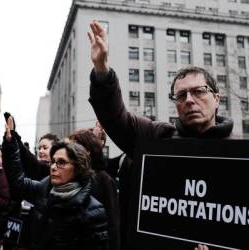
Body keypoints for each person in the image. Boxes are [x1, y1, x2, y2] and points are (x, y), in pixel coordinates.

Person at [88, 20, 232, 249]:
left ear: (216, 98)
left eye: (199, 91)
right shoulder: (157, 137)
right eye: (181, 95)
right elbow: (115, 118)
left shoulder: (239, 158)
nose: (189, 100)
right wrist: (102, 69)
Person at [2, 126, 109, 250]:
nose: (53, 167)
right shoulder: (43, 189)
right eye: (53, 161)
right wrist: (10, 146)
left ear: (78, 168)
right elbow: (17, 183)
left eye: (62, 162)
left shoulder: (94, 212)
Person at [68, 129, 120, 250]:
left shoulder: (104, 180)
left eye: (74, 146)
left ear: (88, 151)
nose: (69, 151)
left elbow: (113, 224)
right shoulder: (70, 176)